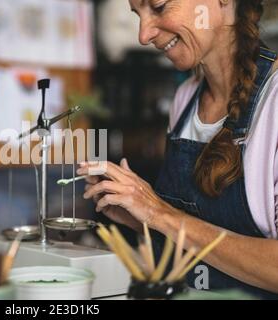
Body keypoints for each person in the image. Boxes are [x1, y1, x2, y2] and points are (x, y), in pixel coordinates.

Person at [78, 0, 278, 299]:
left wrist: (159, 213)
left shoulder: (273, 101)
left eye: (159, 7)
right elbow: (189, 245)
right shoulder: (185, 99)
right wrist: (138, 215)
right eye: (138, 15)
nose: (143, 35)